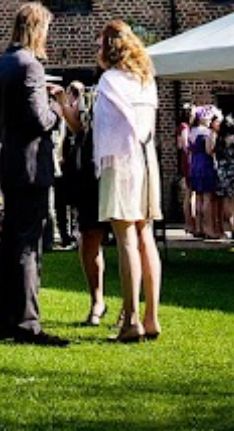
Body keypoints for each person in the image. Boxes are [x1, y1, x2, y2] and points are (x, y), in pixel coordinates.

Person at [0, 1, 68, 346]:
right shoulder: (30, 66)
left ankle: (3, 317)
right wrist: (56, 107)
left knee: (8, 243)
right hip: (32, 164)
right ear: (36, 29)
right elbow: (40, 120)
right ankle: (27, 323)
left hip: (11, 160)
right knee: (27, 246)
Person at [89, 20, 163, 343]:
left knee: (127, 240)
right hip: (147, 160)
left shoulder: (109, 81)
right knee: (145, 236)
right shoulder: (146, 80)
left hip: (120, 161)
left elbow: (106, 130)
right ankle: (152, 318)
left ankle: (131, 320)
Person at [58, 80, 107, 325]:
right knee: (89, 236)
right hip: (87, 172)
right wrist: (62, 104)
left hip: (116, 169)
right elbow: (78, 127)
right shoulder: (91, 97)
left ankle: (129, 308)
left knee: (127, 240)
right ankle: (97, 300)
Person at [186, 107, 222, 239]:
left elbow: (188, 150)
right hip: (206, 164)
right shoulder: (207, 133)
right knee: (207, 197)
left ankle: (198, 227)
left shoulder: (191, 131)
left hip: (194, 165)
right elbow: (209, 150)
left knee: (198, 198)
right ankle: (208, 228)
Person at [213, 110, 234, 242]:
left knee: (228, 200)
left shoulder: (220, 140)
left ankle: (231, 227)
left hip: (223, 171)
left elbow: (214, 153)